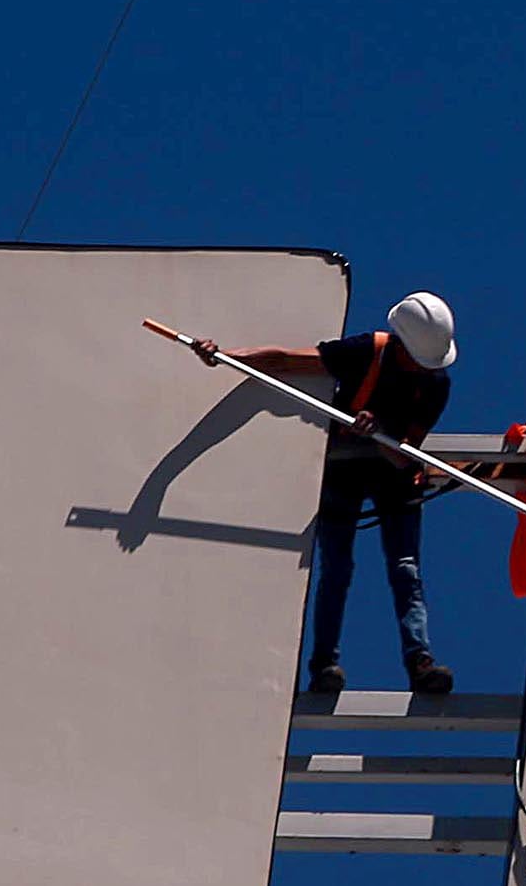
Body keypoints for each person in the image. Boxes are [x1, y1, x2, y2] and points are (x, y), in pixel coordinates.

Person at [193, 291, 463, 697]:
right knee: (337, 569)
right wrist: (224, 355)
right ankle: (324, 666)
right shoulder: (365, 352)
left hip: (395, 477)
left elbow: (404, 454)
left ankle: (420, 662)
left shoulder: (436, 384)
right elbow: (286, 361)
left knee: (405, 569)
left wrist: (379, 430)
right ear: (401, 343)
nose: (421, 369)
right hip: (344, 472)